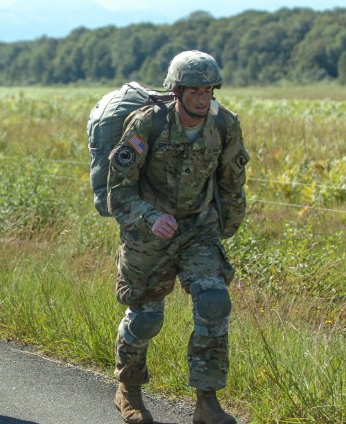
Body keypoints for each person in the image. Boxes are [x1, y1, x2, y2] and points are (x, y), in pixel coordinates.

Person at [107, 51, 249, 424]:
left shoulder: (225, 125)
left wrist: (222, 231)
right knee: (145, 319)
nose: (203, 99)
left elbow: (232, 184)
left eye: (208, 90)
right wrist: (150, 217)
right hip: (148, 233)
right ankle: (129, 389)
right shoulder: (147, 125)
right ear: (177, 91)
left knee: (214, 301)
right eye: (195, 92)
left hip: (198, 229)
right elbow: (118, 190)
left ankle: (207, 402)